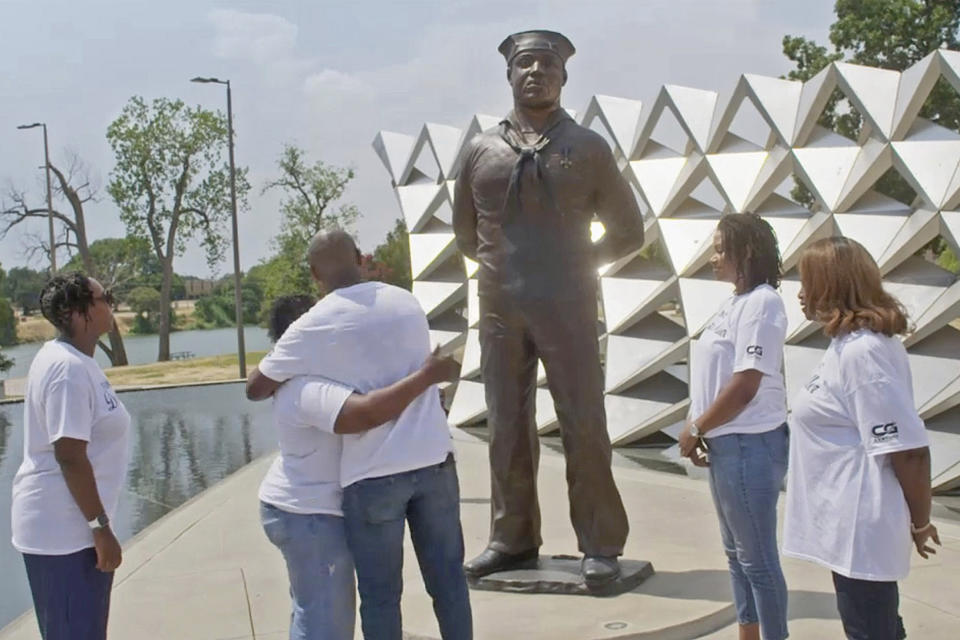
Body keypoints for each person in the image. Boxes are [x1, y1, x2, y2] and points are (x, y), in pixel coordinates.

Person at [452, 29, 644, 587]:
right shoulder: (479, 151)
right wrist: (508, 270)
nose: (535, 72)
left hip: (569, 304)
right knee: (507, 425)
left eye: (546, 64)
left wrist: (574, 262)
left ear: (564, 77)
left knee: (584, 422)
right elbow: (468, 234)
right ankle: (511, 539)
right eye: (524, 64)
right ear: (508, 76)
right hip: (500, 308)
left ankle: (601, 543)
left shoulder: (587, 147)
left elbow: (629, 230)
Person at [246, 230, 472, 640]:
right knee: (449, 583)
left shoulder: (314, 324)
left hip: (373, 473)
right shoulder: (406, 301)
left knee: (382, 597)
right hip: (435, 460)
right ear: (360, 257)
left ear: (314, 274)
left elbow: (256, 388)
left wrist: (296, 358)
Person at [783, 237, 940, 640]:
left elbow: (908, 451)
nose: (800, 293)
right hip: (846, 527)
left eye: (807, 281)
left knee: (872, 630)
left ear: (832, 285)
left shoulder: (862, 354)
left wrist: (920, 523)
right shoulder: (846, 347)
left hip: (861, 528)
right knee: (876, 628)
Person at [678, 214, 790, 640]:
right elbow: (715, 377)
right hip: (728, 444)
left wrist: (699, 428)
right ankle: (748, 633)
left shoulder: (763, 303)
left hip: (750, 445)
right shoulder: (734, 303)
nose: (712, 258)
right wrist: (700, 427)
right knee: (737, 555)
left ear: (746, 252)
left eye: (721, 248)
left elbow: (746, 384)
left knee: (758, 559)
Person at [11, 273, 129, 640]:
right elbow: (69, 455)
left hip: (74, 531)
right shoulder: (66, 369)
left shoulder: (79, 362)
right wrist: (101, 529)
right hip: (63, 535)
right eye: (104, 297)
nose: (111, 303)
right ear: (80, 314)